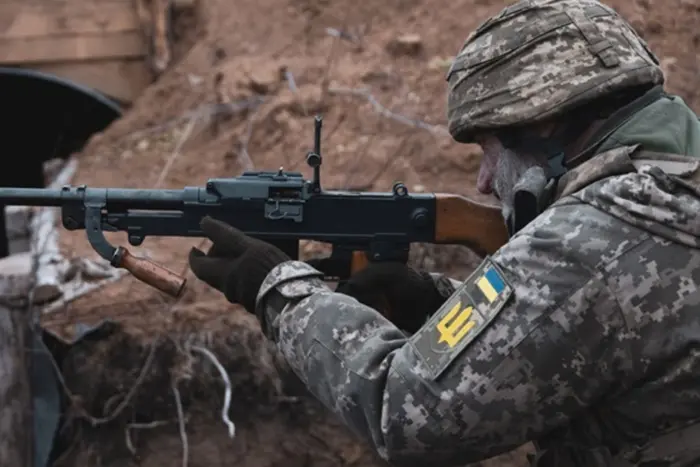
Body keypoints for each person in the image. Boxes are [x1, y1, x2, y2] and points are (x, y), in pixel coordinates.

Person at [187, 0, 700, 465]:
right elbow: (576, 320)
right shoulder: (671, 192)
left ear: (542, 126)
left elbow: (408, 415)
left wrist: (280, 291)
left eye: (487, 148)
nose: (481, 179)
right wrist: (437, 305)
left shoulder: (591, 238)